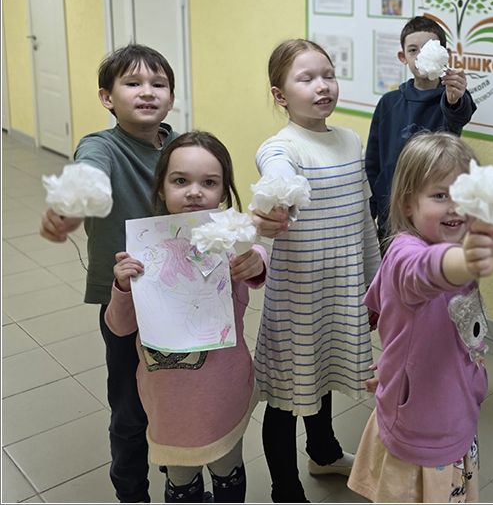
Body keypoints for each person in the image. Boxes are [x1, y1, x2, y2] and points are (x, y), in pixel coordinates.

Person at [39, 44, 177, 503]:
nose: (147, 92)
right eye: (133, 83)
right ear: (106, 98)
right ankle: (132, 491)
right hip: (125, 296)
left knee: (176, 394)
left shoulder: (180, 147)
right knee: (129, 404)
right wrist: (71, 205)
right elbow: (89, 176)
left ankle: (180, 474)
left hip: (179, 293)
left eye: (158, 84)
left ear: (171, 97)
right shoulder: (101, 146)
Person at [251, 39, 381, 502]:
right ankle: (285, 490)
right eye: (306, 79)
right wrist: (275, 194)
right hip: (298, 297)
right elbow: (276, 173)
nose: (322, 85)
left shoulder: (349, 140)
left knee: (320, 373)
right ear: (280, 95)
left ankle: (323, 453)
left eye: (328, 75)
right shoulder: (281, 147)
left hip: (342, 288)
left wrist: (376, 284)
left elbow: (363, 221)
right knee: (287, 396)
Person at [105, 131, 267, 502]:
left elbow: (256, 260)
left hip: (222, 391)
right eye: (180, 181)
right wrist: (124, 287)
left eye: (209, 183)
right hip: (167, 399)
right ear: (161, 189)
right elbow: (119, 326)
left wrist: (256, 260)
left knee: (227, 468)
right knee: (180, 478)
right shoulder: (144, 251)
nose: (194, 192)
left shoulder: (230, 244)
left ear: (223, 192)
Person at [348, 132, 493, 502]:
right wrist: (461, 261)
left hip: (457, 411)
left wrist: (394, 365)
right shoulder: (406, 252)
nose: (456, 206)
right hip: (421, 432)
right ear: (408, 204)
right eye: (440, 195)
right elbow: (420, 273)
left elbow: (393, 315)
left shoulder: (456, 247)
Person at [366, 15, 476, 243]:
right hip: (390, 213)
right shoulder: (389, 103)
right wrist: (370, 213)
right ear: (403, 57)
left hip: (431, 218)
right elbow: (373, 163)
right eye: (413, 50)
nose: (420, 55)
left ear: (444, 53)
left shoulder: (450, 99)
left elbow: (459, 114)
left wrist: (455, 98)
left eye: (427, 49)